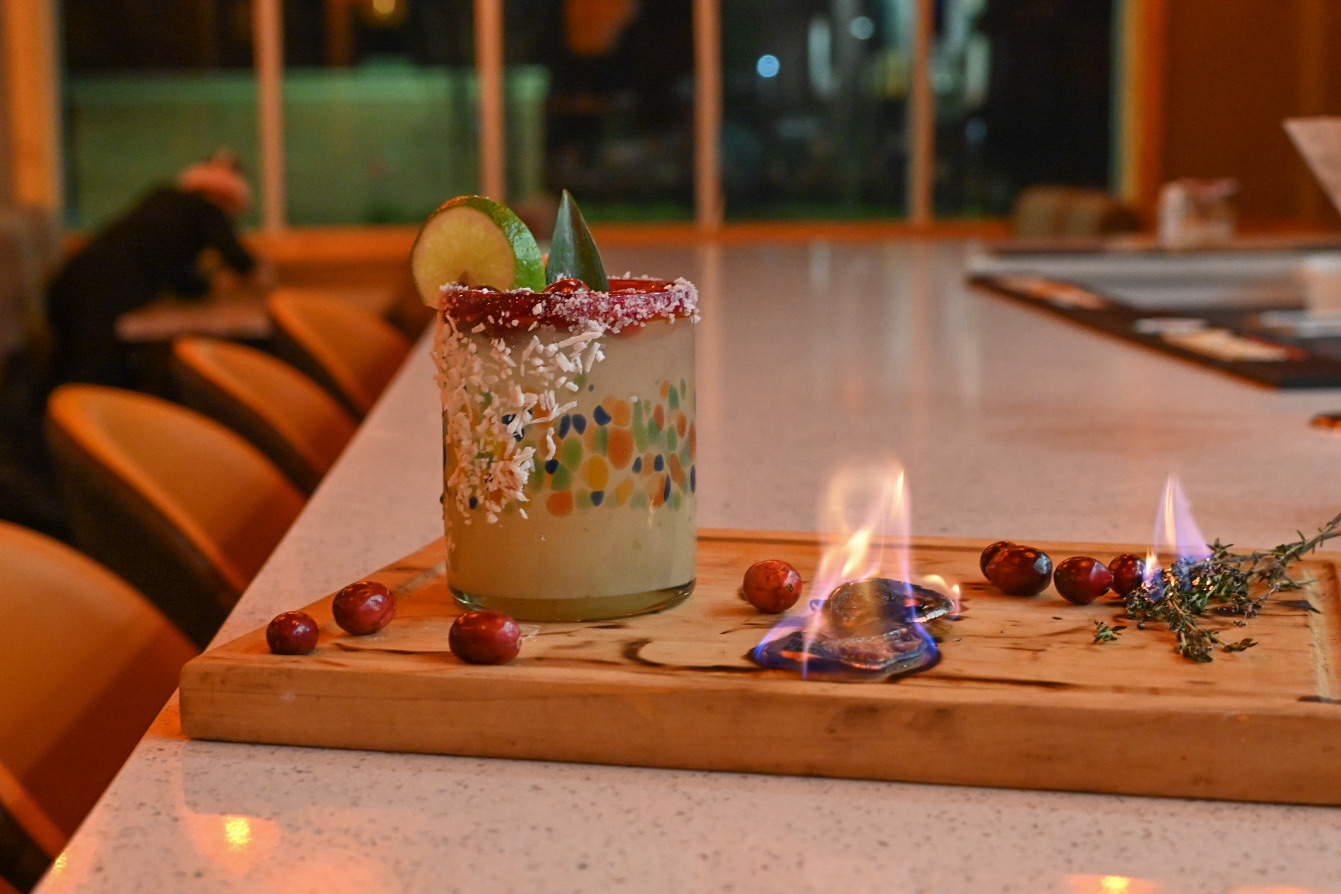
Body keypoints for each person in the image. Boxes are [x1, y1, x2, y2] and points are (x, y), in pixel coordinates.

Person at [43, 151, 268, 391]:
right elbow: (238, 259)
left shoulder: (163, 200)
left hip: (73, 281)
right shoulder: (205, 209)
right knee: (91, 378)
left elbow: (181, 276)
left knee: (69, 369)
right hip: (97, 293)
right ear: (225, 197)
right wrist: (258, 275)